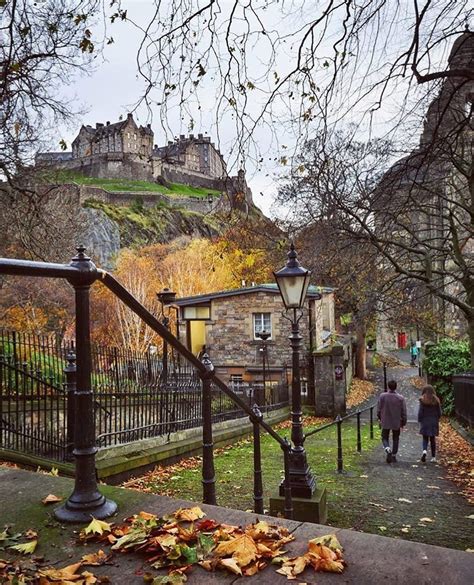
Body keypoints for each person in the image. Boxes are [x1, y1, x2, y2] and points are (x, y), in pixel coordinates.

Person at [377, 379, 407, 463]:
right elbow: (403, 411)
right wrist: (403, 422)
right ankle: (394, 455)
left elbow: (379, 409)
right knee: (396, 438)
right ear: (396, 387)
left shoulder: (382, 396)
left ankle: (387, 449)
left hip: (385, 420)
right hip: (396, 421)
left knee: (384, 436)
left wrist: (379, 417)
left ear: (388, 386)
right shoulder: (400, 398)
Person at [418, 385, 442, 463]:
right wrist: (437, 418)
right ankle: (433, 457)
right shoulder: (436, 400)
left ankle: (424, 451)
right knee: (432, 439)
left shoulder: (422, 400)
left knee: (425, 438)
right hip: (433, 421)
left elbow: (420, 412)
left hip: (425, 421)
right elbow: (439, 413)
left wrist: (420, 420)